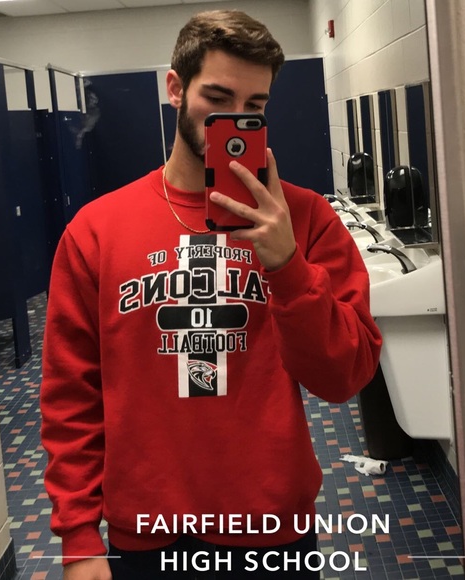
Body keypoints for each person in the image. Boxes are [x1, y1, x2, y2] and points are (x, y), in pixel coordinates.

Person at [40, 9, 382, 580]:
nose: (235, 119)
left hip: (271, 526)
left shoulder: (305, 219)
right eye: (218, 98)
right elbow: (71, 393)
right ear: (175, 88)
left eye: (254, 106)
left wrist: (287, 265)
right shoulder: (97, 231)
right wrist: (77, 535)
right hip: (146, 529)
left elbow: (345, 375)